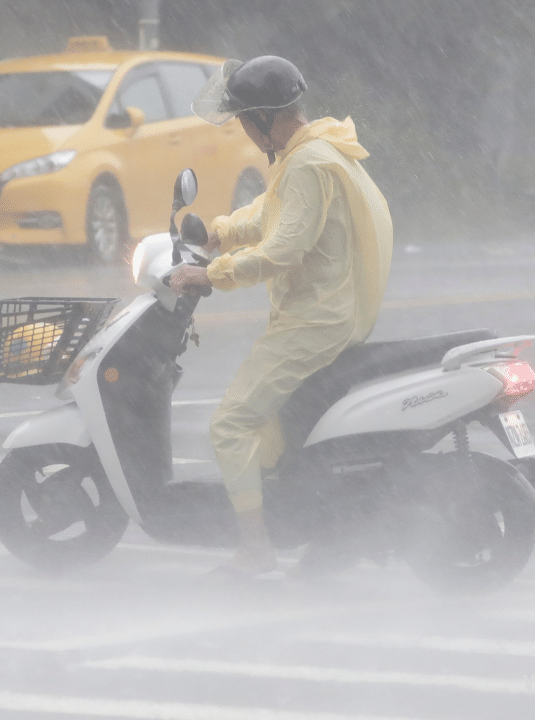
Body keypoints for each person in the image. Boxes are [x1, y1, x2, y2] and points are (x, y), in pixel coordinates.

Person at [168, 56, 394, 576]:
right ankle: (323, 530)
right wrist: (218, 232)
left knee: (230, 425)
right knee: (275, 431)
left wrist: (211, 274)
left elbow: (284, 248)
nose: (245, 132)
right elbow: (272, 211)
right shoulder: (314, 151)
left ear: (263, 120)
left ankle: (255, 550)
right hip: (332, 313)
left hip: (317, 320)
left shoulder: (309, 163)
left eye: (245, 122)